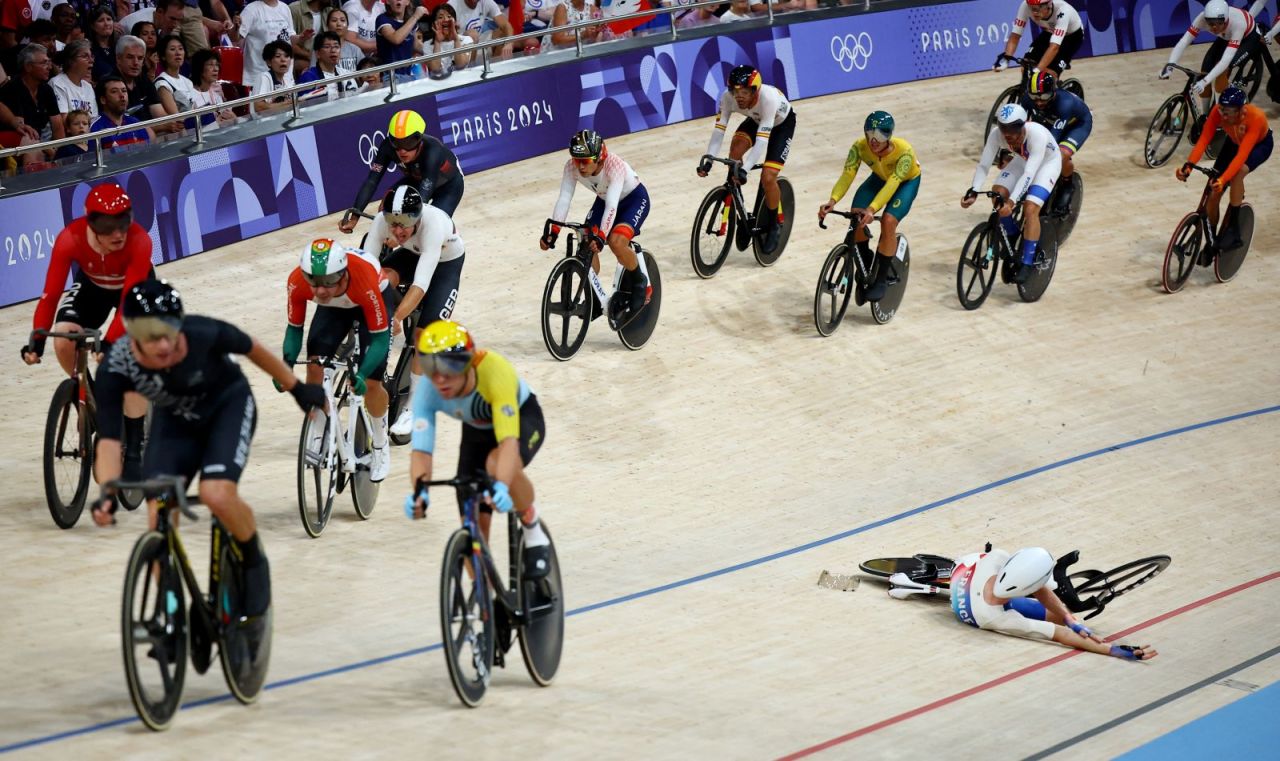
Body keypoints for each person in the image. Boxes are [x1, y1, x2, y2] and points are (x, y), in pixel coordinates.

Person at [91, 279, 327, 622]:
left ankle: (252, 560)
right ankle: (172, 611)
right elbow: (110, 439)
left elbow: (253, 348)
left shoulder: (202, 333)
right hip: (175, 423)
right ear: (131, 333)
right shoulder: (116, 366)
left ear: (180, 323)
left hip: (226, 408)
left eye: (168, 332)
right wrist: (107, 492)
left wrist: (297, 388)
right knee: (158, 516)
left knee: (215, 494)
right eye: (149, 334)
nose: (161, 344)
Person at [21, 183, 154, 482]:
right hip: (93, 287)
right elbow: (50, 295)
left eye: (123, 223)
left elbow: (128, 304)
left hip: (132, 292)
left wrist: (108, 343)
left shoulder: (140, 241)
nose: (117, 234)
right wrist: (38, 339)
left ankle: (133, 449)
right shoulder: (70, 238)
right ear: (89, 221)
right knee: (64, 336)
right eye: (107, 227)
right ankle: (94, 404)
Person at [404, 320, 552, 578]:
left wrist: (502, 487)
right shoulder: (428, 390)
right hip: (477, 431)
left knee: (497, 467)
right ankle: (486, 604)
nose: (440, 378)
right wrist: (419, 490)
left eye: (450, 365)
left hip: (521, 419)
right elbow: (421, 451)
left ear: (469, 361)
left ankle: (531, 526)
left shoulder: (495, 371)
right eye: (430, 366)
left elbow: (508, 443)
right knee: (473, 529)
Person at [284, 238, 393, 481]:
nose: (320, 290)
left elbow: (380, 341)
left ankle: (380, 442)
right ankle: (319, 430)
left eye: (328, 281)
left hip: (370, 301)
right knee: (315, 363)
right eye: (314, 281)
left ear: (343, 275)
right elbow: (293, 330)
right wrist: (285, 367)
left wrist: (363, 375)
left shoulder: (363, 279)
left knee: (373, 384)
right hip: (335, 306)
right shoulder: (299, 282)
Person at [949, 546, 1157, 661]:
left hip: (968, 579)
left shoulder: (995, 558)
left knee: (1065, 616)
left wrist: (1069, 620)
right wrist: (1112, 650)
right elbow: (1062, 634)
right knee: (1064, 615)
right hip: (989, 608)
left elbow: (1030, 583)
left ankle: (1060, 597)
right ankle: (1061, 591)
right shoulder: (996, 618)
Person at [374, 186, 466, 437]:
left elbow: (421, 285)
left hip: (445, 264)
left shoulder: (433, 225)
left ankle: (414, 407)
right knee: (381, 277)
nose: (398, 231)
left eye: (405, 224)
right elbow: (368, 270)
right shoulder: (385, 222)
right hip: (413, 254)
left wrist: (395, 317)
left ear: (417, 218)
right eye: (393, 224)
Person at [540, 128, 650, 317]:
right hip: (604, 200)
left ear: (599, 157)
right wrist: (554, 231)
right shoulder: (571, 167)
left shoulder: (614, 165)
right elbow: (565, 198)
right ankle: (595, 299)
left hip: (633, 200)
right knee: (585, 247)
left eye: (585, 161)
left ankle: (640, 282)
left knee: (616, 242)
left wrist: (601, 237)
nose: (580, 166)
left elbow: (612, 207)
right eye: (576, 159)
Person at [818, 111, 921, 302]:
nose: (873, 140)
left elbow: (893, 183)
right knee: (856, 216)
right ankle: (866, 264)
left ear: (889, 135)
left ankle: (880, 279)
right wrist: (832, 201)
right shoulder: (860, 147)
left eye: (880, 135)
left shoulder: (904, 152)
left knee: (888, 221)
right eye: (869, 133)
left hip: (905, 183)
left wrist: (872, 209)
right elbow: (847, 174)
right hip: (879, 179)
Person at [698, 64, 796, 254]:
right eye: (735, 92)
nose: (739, 97)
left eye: (744, 92)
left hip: (781, 124)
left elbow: (761, 141)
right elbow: (719, 131)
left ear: (755, 90)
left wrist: (746, 169)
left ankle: (775, 223)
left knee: (768, 177)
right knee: (734, 152)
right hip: (756, 119)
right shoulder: (728, 99)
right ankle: (742, 214)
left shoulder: (767, 98)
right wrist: (709, 159)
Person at [962, 102, 1060, 284]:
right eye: (1005, 133)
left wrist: (1013, 202)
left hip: (1046, 165)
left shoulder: (1036, 135)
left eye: (1013, 135)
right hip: (1023, 160)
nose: (1009, 139)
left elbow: (1030, 174)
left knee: (1031, 209)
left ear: (1023, 126)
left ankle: (1027, 262)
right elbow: (984, 164)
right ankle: (1013, 233)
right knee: (997, 193)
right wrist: (973, 190)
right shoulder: (996, 135)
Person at [1175, 86, 1271, 254]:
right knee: (1213, 191)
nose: (1224, 116)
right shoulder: (1218, 113)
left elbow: (1242, 155)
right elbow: (1204, 139)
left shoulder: (1255, 118)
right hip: (1234, 143)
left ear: (1242, 110)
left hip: (1258, 146)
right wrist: (1188, 166)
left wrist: (1224, 179)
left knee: (1238, 173)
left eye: (1228, 112)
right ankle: (1212, 241)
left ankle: (1233, 228)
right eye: (1222, 110)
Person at [342, 109, 465, 232]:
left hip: (449, 187)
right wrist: (355, 217)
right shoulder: (387, 147)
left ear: (419, 140)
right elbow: (372, 181)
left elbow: (424, 198)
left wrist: (404, 228)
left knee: (430, 227)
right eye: (396, 142)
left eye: (408, 143)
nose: (402, 150)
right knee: (386, 207)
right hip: (417, 180)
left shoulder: (433, 152)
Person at [1161, 0, 1264, 112]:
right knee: (1204, 72)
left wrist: (1205, 81)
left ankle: (1219, 113)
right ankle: (1205, 115)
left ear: (1225, 20)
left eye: (1218, 23)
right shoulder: (1201, 19)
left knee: (1221, 73)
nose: (1214, 28)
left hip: (1247, 38)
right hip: (1225, 36)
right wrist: (1170, 64)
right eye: (1210, 24)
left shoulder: (1238, 24)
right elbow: (1184, 41)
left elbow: (1225, 60)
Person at [1018, 69, 1090, 214]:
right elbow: (1019, 126)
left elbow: (1051, 141)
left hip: (1076, 125)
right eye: (1034, 96)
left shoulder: (1065, 104)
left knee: (1060, 155)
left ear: (1053, 92)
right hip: (1051, 120)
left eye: (1044, 96)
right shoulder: (1027, 99)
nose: (1038, 101)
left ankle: (1067, 185)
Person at [0, 43, 66, 165]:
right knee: (32, 147)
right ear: (28, 67)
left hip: (37, 142)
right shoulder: (13, 88)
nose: (49, 67)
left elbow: (58, 126)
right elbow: (24, 131)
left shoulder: (46, 89)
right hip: (14, 140)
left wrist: (59, 152)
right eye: (44, 63)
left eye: (49, 63)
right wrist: (49, 150)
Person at [997, 0, 1084, 76]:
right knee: (1026, 67)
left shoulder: (1063, 12)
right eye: (1032, 8)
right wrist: (1006, 59)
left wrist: (1038, 69)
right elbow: (1015, 36)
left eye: (1038, 8)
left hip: (1072, 38)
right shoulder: (1025, 6)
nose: (1034, 12)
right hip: (1050, 32)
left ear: (1048, 5)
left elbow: (1054, 47)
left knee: (1048, 74)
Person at [238, 0, 304, 88]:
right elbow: (236, 39)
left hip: (285, 77)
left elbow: (289, 38)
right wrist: (234, 28)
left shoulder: (285, 8)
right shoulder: (250, 10)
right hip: (258, 76)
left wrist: (301, 38)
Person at [90, 74, 155, 149]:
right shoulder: (95, 128)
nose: (122, 95)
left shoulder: (136, 124)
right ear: (103, 100)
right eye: (114, 91)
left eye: (124, 91)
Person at [297, 30, 359, 98]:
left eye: (336, 46)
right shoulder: (308, 78)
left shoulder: (346, 75)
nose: (333, 50)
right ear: (317, 54)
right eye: (327, 47)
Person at [189, 47, 238, 129]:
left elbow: (227, 118)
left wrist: (234, 119)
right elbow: (191, 129)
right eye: (210, 65)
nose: (216, 69)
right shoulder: (190, 96)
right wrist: (215, 124)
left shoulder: (216, 95)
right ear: (199, 68)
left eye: (217, 65)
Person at [375, 0, 425, 80]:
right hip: (389, 77)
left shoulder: (411, 22)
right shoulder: (382, 19)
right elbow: (396, 39)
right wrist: (415, 17)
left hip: (408, 75)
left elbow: (417, 46)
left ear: (407, 2)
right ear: (388, 1)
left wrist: (437, 42)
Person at [447, 0, 513, 59]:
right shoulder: (452, 5)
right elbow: (445, 37)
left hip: (479, 40)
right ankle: (471, 69)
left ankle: (495, 67)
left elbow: (506, 25)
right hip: (458, 46)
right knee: (472, 35)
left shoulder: (486, 2)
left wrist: (509, 43)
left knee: (502, 33)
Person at [49, 38, 97, 119]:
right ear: (71, 61)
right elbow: (63, 120)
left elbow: (93, 120)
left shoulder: (88, 87)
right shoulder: (57, 83)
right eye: (85, 56)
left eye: (91, 56)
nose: (91, 60)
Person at [424, 3, 472, 76]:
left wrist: (456, 40)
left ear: (455, 22)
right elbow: (435, 69)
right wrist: (437, 42)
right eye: (440, 17)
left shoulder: (466, 40)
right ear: (433, 24)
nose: (446, 20)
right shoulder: (426, 45)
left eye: (449, 16)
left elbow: (461, 65)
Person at [251, 39, 294, 114]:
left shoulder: (288, 81)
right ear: (269, 62)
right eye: (278, 56)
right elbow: (259, 107)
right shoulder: (264, 77)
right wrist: (288, 104)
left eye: (287, 56)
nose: (283, 60)